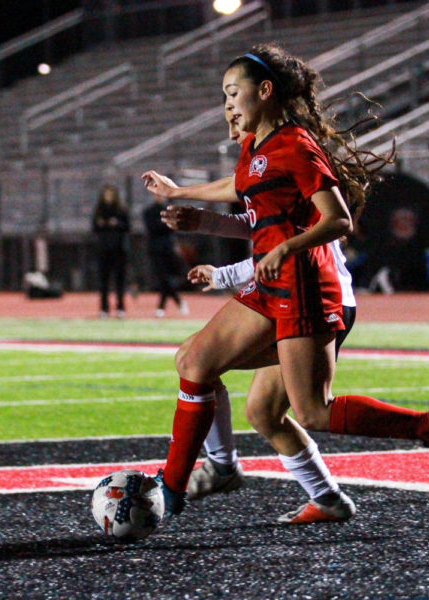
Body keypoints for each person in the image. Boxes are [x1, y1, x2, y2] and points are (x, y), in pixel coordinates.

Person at [142, 44, 429, 519]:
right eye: (224, 98)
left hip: (305, 288)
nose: (228, 107)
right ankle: (317, 497)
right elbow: (249, 206)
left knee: (309, 409)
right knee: (219, 379)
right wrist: (185, 201)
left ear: (266, 91)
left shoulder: (295, 145)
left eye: (234, 94)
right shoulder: (257, 150)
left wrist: (283, 248)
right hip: (275, 285)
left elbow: (338, 221)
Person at [151, 114, 357, 524]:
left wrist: (223, 273)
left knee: (201, 363)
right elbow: (255, 223)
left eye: (234, 107)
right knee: (262, 411)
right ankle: (327, 498)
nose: (231, 129)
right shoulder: (260, 156)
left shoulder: (289, 153)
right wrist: (192, 205)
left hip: (312, 296)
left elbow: (282, 248)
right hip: (291, 290)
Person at [142, 195, 189, 318]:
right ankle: (176, 302)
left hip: (168, 249)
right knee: (163, 278)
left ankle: (162, 307)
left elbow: (173, 227)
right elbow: (154, 227)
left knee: (166, 278)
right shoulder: (149, 211)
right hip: (156, 249)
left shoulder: (169, 210)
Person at [91, 184, 129, 318]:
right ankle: (104, 308)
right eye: (106, 194)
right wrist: (101, 224)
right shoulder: (99, 210)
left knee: (119, 280)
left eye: (110, 194)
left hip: (118, 249)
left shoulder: (121, 209)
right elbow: (94, 228)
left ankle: (120, 307)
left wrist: (116, 223)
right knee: (103, 281)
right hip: (103, 249)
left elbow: (127, 227)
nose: (108, 196)